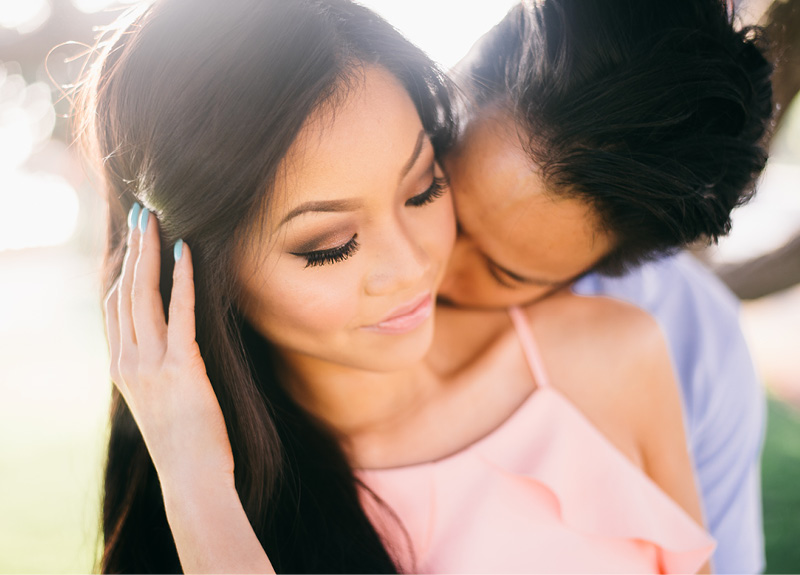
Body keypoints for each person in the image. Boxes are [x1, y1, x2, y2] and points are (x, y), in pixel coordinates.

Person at [87, 0, 720, 573]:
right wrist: (197, 487)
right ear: (182, 269)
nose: (416, 266)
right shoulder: (204, 506)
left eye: (423, 187)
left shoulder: (613, 354)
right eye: (330, 245)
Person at [439, 1, 772, 572]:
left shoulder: (698, 348)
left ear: (612, 266)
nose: (430, 266)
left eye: (504, 273)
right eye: (435, 196)